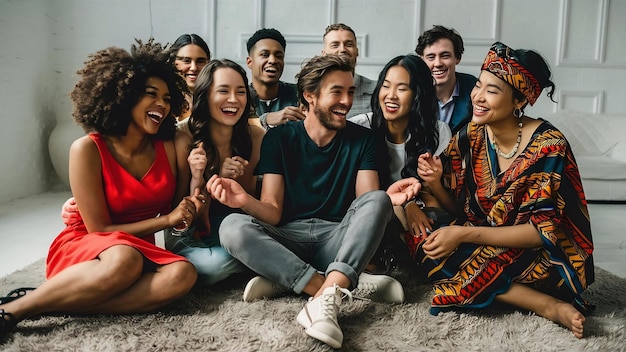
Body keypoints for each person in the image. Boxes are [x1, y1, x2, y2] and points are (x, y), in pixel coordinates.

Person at [206, 54, 421, 349]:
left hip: (337, 238)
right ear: (309, 95)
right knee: (232, 226)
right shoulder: (279, 139)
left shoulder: (365, 140)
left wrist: (384, 201)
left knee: (377, 200)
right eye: (336, 91)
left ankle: (299, 284)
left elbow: (364, 206)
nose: (346, 101)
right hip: (287, 237)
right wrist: (243, 200)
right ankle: (335, 286)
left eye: (350, 92)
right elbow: (272, 212)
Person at [0, 39, 200, 335]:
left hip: (138, 247)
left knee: (184, 273)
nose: (162, 104)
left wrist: (190, 206)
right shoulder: (86, 149)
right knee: (125, 259)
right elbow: (100, 230)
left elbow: (178, 211)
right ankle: (12, 311)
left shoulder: (170, 147)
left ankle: (58, 301)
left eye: (167, 98)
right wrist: (167, 220)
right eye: (150, 94)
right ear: (124, 96)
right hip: (89, 247)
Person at [415, 42, 595, 339]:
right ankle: (515, 293)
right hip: (487, 242)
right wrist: (435, 182)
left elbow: (540, 232)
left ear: (518, 101)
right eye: (479, 85)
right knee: (422, 235)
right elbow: (458, 210)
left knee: (457, 253)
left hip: (540, 258)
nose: (478, 97)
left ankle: (547, 304)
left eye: (492, 91)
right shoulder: (470, 135)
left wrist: (462, 234)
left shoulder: (549, 146)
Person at [350, 54, 453, 273]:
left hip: (419, 203)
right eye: (386, 86)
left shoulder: (438, 132)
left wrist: (416, 200)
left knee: (436, 221)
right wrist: (405, 206)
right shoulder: (361, 126)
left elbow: (436, 196)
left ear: (418, 94)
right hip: (373, 206)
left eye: (402, 88)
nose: (391, 96)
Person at [169, 59, 265, 285]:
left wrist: (235, 183)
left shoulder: (255, 136)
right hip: (190, 232)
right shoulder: (183, 137)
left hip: (235, 227)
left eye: (241, 92)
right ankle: (261, 264)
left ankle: (261, 262)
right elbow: (179, 213)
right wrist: (207, 178)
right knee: (213, 267)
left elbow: (250, 207)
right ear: (205, 95)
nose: (234, 100)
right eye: (223, 91)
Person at [415, 25, 477, 134]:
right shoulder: (412, 90)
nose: (438, 63)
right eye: (431, 57)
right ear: (422, 60)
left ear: (457, 58)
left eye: (445, 56)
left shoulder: (475, 88)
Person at [245, 28, 304, 130]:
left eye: (279, 56)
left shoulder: (299, 94)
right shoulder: (241, 97)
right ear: (250, 62)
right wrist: (266, 119)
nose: (272, 60)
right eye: (265, 55)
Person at [322, 23, 376, 118]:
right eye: (335, 45)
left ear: (357, 51)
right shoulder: (312, 91)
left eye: (349, 44)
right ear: (324, 54)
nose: (343, 49)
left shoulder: (377, 91)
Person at [170, 34, 211, 120]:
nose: (194, 68)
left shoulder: (217, 100)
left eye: (200, 61)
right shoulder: (165, 100)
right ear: (173, 63)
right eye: (187, 61)